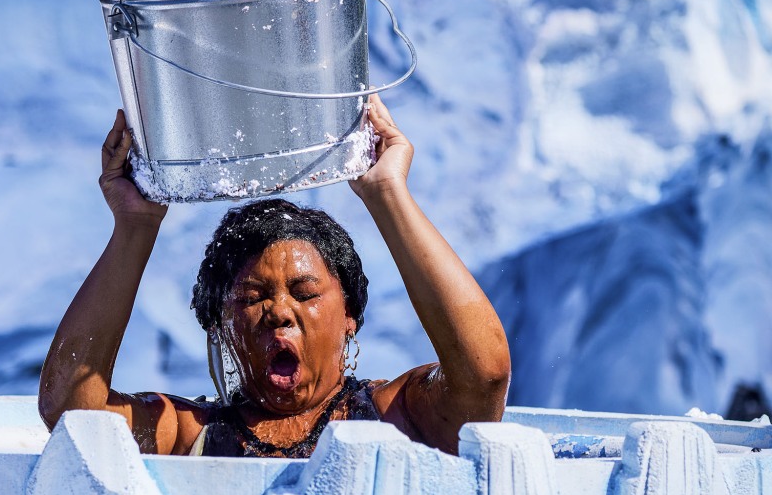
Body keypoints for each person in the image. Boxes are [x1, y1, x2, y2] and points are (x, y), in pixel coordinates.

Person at [38, 95, 510, 456]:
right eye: (252, 296)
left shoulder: (400, 414)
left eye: (305, 293)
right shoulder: (188, 433)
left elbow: (483, 375)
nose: (280, 312)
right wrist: (134, 228)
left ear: (351, 315)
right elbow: (74, 415)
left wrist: (388, 193)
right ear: (218, 326)